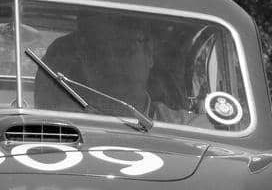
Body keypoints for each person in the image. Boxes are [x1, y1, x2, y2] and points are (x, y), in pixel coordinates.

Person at [35, 10, 186, 123]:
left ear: (148, 54)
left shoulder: (183, 127)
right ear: (84, 60)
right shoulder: (58, 124)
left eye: (124, 49)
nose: (112, 62)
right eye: (99, 52)